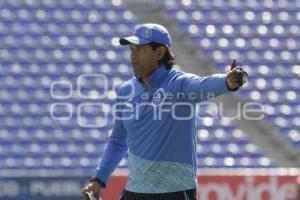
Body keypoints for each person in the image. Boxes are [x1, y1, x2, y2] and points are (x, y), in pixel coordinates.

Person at [82, 23, 248, 200]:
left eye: (140, 50)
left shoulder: (180, 84)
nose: (133, 55)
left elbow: (204, 85)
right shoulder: (125, 91)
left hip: (175, 192)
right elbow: (117, 141)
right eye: (131, 49)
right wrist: (99, 179)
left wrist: (228, 82)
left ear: (160, 53)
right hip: (135, 192)